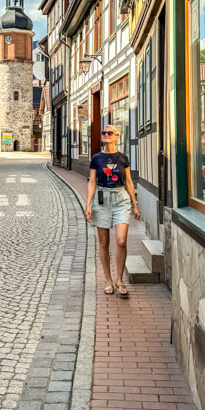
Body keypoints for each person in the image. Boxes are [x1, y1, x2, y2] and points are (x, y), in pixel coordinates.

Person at [85, 124, 139, 297]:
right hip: (102, 199)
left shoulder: (123, 158)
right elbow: (92, 182)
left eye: (110, 133)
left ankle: (120, 280)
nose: (106, 135)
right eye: (104, 132)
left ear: (117, 136)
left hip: (121, 199)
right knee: (103, 242)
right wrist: (88, 204)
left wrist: (135, 203)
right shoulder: (96, 158)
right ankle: (108, 280)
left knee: (121, 241)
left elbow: (129, 181)